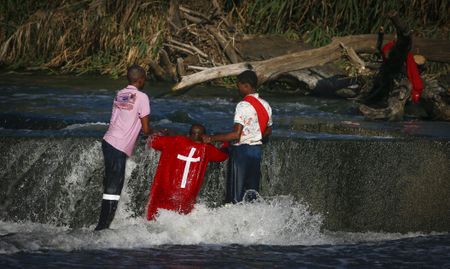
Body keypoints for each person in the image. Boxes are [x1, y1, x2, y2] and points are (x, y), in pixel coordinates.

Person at [95, 64, 152, 230]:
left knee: (111, 183)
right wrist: (158, 131)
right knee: (113, 187)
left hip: (108, 141)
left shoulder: (120, 94)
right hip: (119, 145)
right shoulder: (142, 97)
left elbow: (116, 119)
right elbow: (146, 129)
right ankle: (102, 228)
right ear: (141, 80)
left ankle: (103, 225)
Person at [202, 70, 272, 203]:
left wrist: (211, 138)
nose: (237, 89)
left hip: (242, 152)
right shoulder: (266, 105)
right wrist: (255, 136)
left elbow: (236, 135)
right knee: (251, 193)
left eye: (238, 85)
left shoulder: (243, 105)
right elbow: (268, 131)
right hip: (256, 151)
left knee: (236, 194)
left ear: (245, 85)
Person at [146, 124, 228, 220]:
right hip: (187, 194)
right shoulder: (207, 149)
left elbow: (152, 141)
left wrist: (164, 133)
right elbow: (223, 156)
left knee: (156, 218)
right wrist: (225, 144)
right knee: (181, 220)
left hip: (166, 190)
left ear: (189, 134)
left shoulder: (174, 141)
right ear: (204, 137)